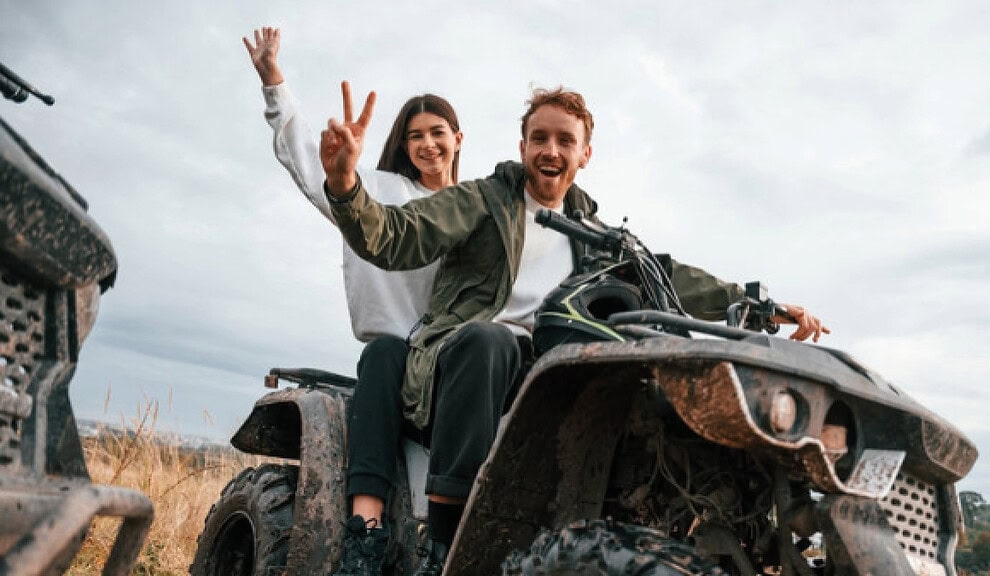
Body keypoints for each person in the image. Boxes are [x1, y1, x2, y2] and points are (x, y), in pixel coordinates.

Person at [319, 83, 828, 576]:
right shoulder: (482, 202)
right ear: (522, 147)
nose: (551, 149)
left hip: (546, 378)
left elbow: (668, 276)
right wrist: (345, 188)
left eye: (565, 140)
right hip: (462, 369)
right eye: (539, 138)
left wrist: (759, 303)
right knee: (490, 338)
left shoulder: (599, 236)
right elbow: (397, 237)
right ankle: (444, 548)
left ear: (585, 154)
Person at [243, 27, 466, 576]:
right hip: (395, 358)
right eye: (415, 135)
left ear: (458, 138)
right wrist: (275, 84)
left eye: (438, 132)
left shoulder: (474, 209)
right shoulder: (381, 192)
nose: (427, 144)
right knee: (385, 354)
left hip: (455, 363)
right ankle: (364, 533)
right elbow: (314, 168)